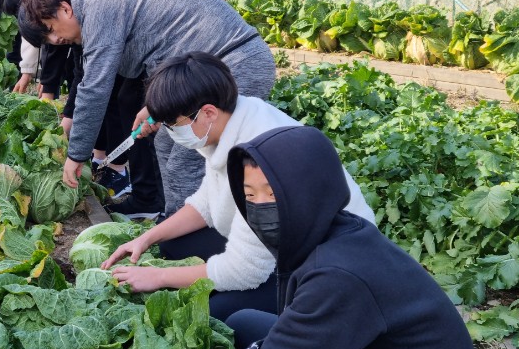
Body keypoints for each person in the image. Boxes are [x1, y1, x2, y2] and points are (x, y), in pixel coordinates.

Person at [125, 125, 481, 349]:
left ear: (311, 190)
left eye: (273, 193)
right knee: (245, 320)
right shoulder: (330, 232)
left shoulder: (341, 274)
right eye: (250, 195)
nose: (260, 207)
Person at [105, 53, 375, 320]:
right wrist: (147, 237)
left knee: (217, 313)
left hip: (316, 269)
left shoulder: (262, 155)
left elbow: (244, 271)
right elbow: (207, 203)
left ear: (208, 112)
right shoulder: (226, 125)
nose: (170, 132)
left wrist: (159, 276)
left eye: (173, 124)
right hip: (271, 245)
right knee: (172, 244)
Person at [18, 0, 276, 217]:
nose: (54, 40)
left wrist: (76, 156)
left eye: (50, 29)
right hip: (206, 70)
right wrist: (154, 107)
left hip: (235, 64)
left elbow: (94, 88)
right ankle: (162, 209)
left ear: (65, 9)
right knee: (165, 140)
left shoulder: (101, 6)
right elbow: (164, 46)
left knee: (184, 161)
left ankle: (186, 237)